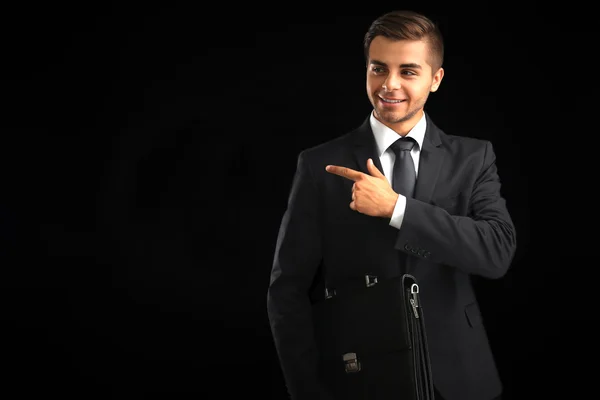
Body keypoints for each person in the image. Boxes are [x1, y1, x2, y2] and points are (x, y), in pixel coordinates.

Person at [266, 9, 516, 400]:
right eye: (378, 68)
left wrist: (397, 208)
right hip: (360, 374)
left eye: (409, 71)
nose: (390, 85)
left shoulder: (472, 157)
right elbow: (287, 290)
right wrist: (307, 390)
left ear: (436, 79)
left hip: (460, 377)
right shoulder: (319, 165)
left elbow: (496, 252)